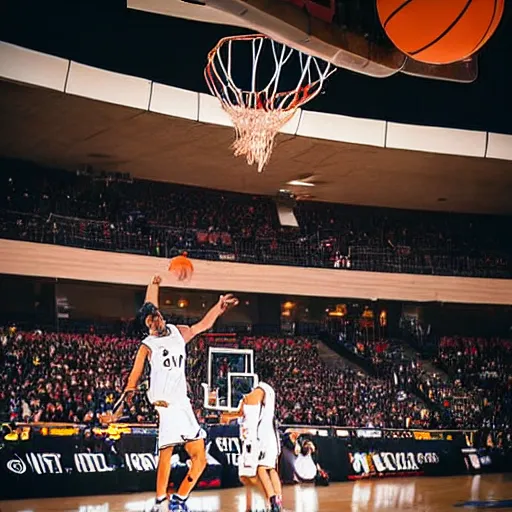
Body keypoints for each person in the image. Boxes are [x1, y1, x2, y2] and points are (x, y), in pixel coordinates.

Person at [121, 275, 238, 512]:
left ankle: (178, 499)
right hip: (167, 404)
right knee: (165, 453)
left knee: (200, 460)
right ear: (147, 325)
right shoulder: (147, 345)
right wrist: (127, 394)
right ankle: (160, 502)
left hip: (182, 405)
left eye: (158, 316)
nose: (157, 320)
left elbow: (202, 325)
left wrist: (218, 307)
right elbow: (134, 376)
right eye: (152, 319)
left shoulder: (178, 332)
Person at [222, 370, 282, 512]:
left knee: (259, 470)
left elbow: (248, 405)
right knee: (266, 471)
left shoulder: (260, 391)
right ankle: (273, 502)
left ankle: (272, 502)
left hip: (260, 437)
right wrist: (231, 414)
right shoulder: (268, 391)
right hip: (268, 435)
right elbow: (243, 411)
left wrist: (239, 400)